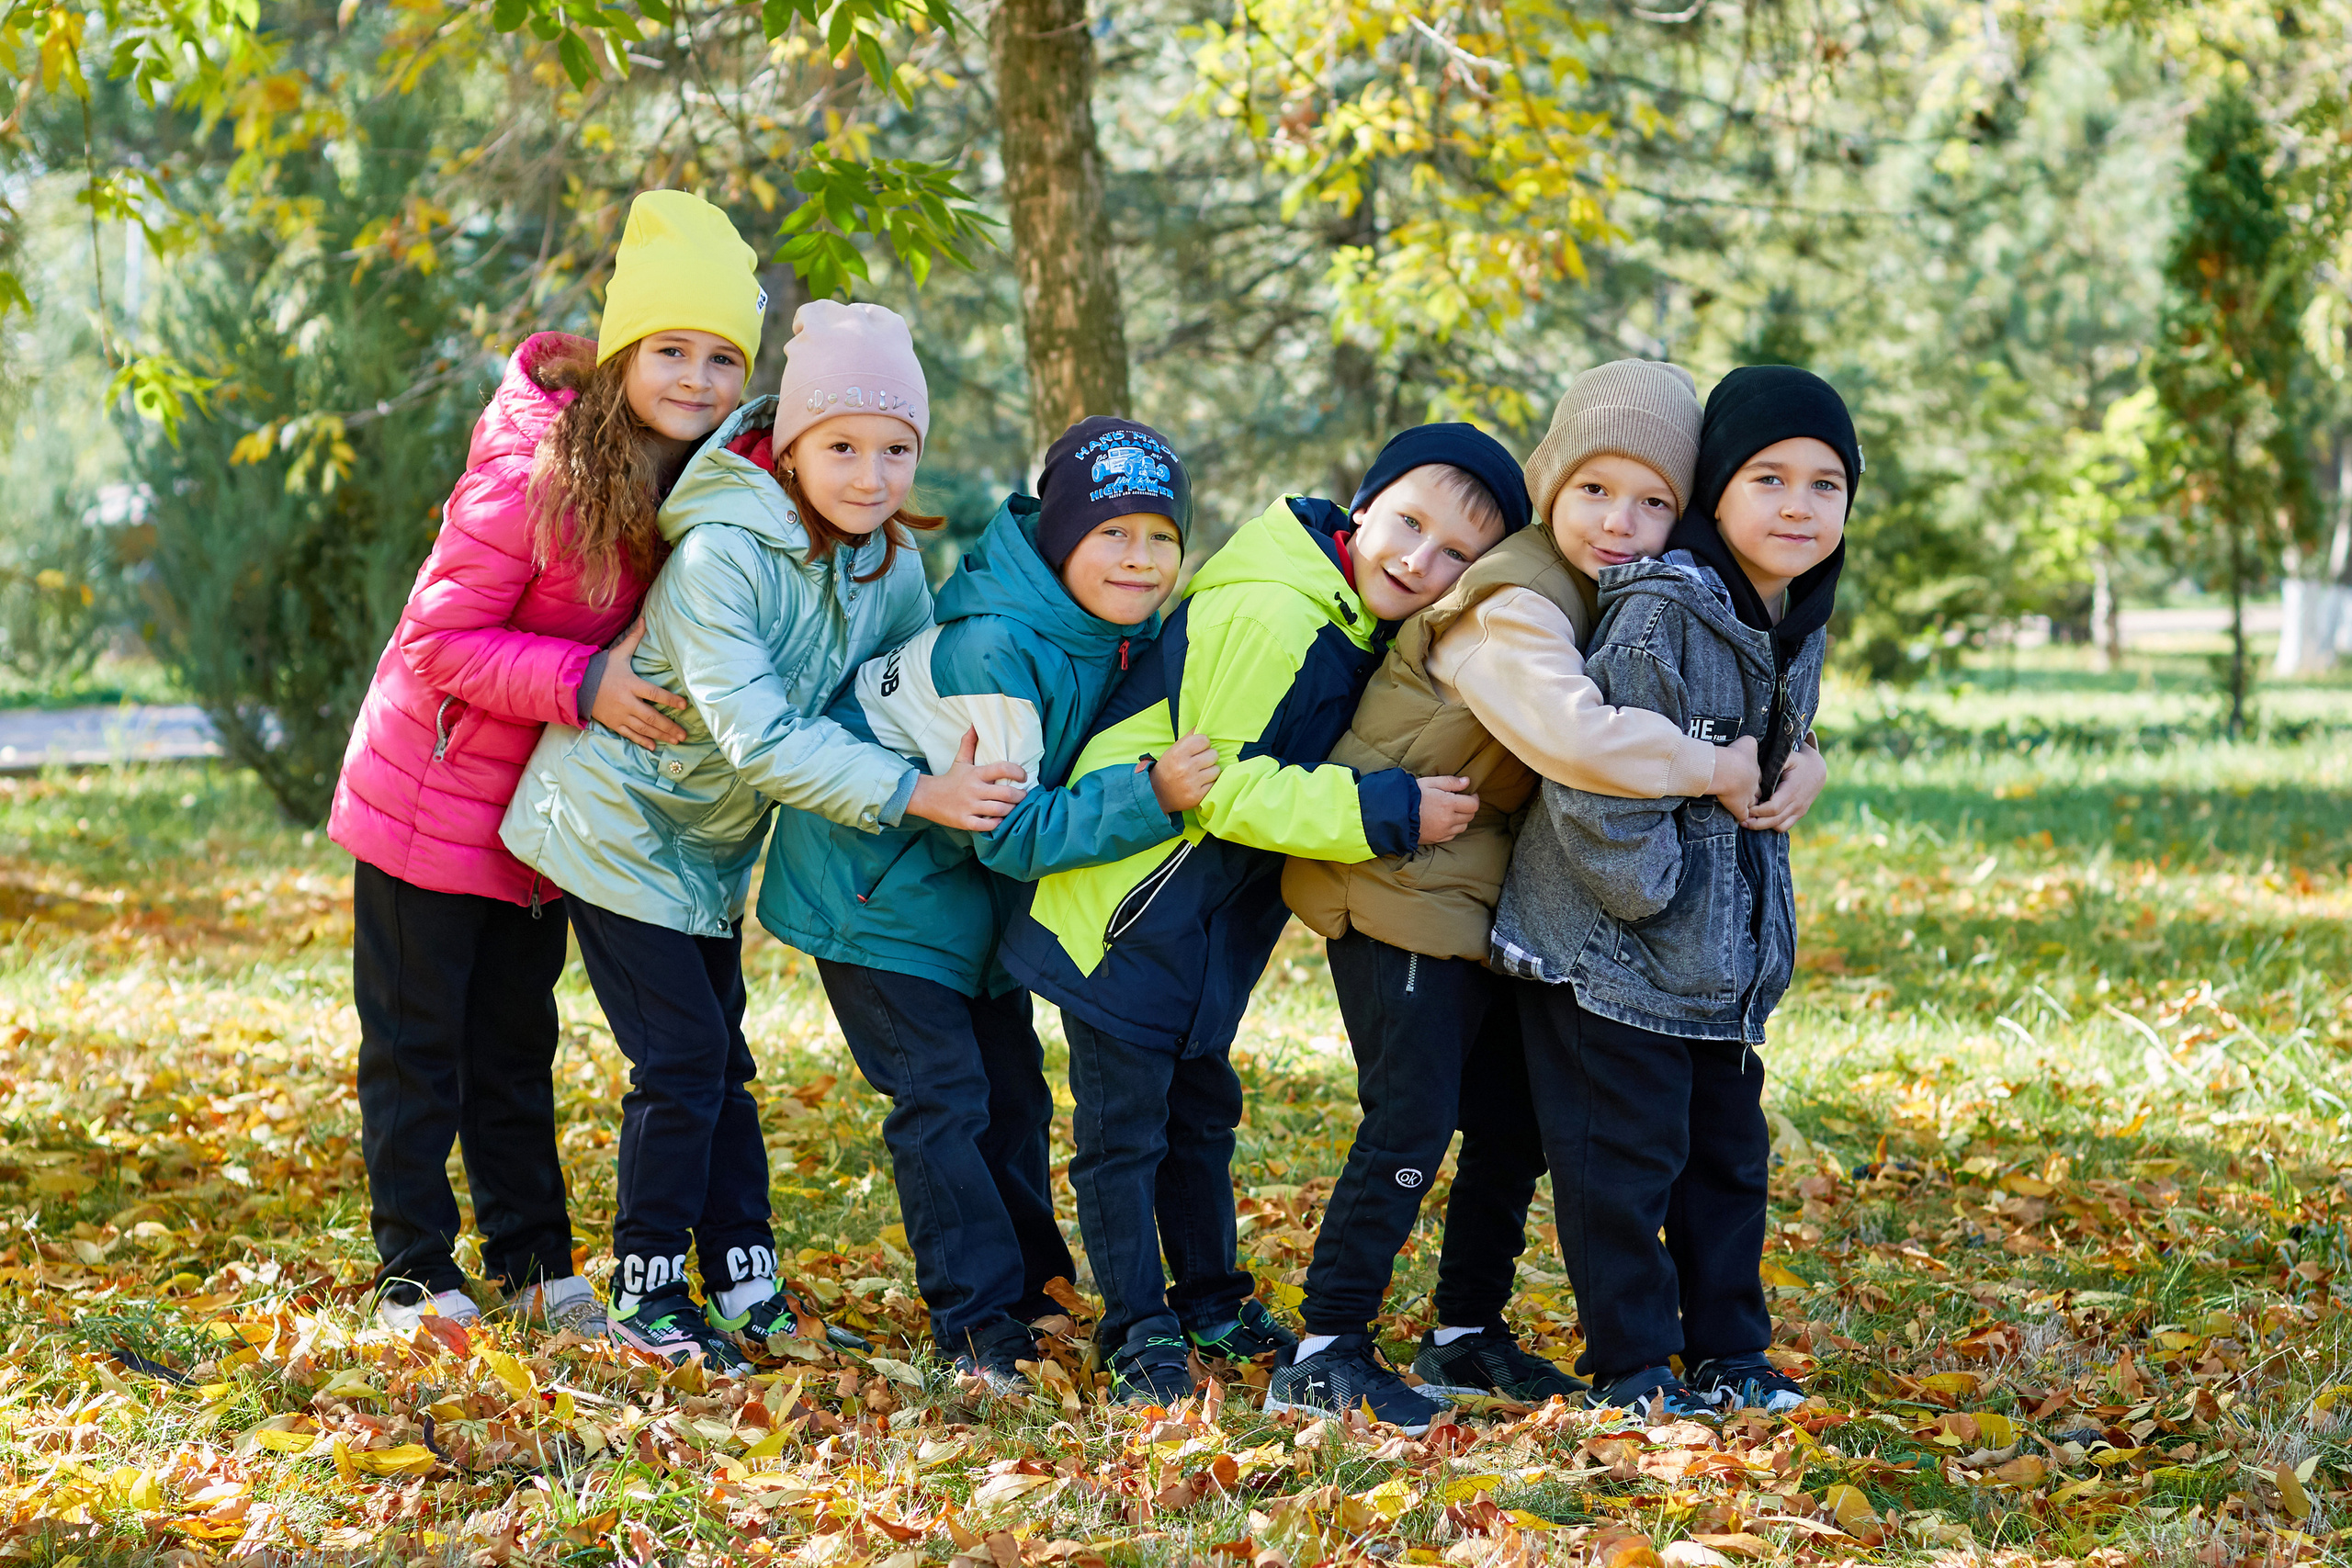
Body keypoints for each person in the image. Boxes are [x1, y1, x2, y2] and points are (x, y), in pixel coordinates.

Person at [1272, 360, 1828, 1429]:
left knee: (1511, 1125)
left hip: (1470, 896)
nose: (1622, 522)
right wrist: (1709, 766)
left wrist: (1805, 757)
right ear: (1549, 489)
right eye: (1594, 491)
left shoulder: (1598, 587)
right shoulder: (1512, 598)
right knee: (1412, 1120)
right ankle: (1326, 1341)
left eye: (1654, 501)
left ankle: (1465, 1332)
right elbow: (1573, 737)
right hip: (1392, 887)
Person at [502, 299, 1026, 1371]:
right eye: (841, 446)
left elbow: (900, 691)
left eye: (896, 450)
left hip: (706, 844)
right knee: (685, 1059)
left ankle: (741, 1271)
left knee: (721, 1058)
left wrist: (976, 737)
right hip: (612, 817)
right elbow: (763, 740)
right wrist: (914, 796)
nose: (870, 476)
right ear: (789, 448)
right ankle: (650, 1289)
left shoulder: (885, 564)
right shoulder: (721, 557)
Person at [997, 424, 1517, 1404]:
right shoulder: (1276, 612)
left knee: (1199, 1117)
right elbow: (1220, 787)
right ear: (1363, 504)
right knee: (1125, 1135)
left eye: (1455, 554)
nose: (1419, 559)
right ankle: (1138, 1329)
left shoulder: (1350, 617)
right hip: (1122, 910)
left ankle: (1212, 1303)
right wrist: (1386, 811)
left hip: (1198, 925)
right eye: (1408, 523)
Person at [330, 188, 754, 1337]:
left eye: (724, 358)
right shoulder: (538, 469)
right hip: (429, 798)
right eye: (671, 349)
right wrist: (584, 685)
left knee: (518, 1045)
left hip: (541, 821)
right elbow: (437, 637)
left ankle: (531, 1259)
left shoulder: (691, 492)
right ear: (621, 356)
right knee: (421, 1052)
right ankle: (416, 1268)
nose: (698, 379)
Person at [763, 418, 1222, 1392]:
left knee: (1013, 1093)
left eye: (1161, 539)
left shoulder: (1112, 632)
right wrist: (1151, 794)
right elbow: (1011, 831)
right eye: (1113, 535)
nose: (1139, 559)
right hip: (876, 895)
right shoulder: (994, 650)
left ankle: (1031, 1290)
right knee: (944, 1099)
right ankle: (975, 1330)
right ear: (1060, 540)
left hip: (964, 903)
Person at [1491, 364, 1855, 1419]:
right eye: (1768, 479)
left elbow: (1767, 740)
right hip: (1618, 952)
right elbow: (1593, 786)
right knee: (1622, 1171)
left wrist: (1805, 758)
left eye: (1825, 485)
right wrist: (1654, 905)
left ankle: (1730, 1352)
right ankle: (1634, 1366)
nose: (1797, 505)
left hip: (1716, 962)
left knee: (1727, 1165)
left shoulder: (1790, 611)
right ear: (1714, 495)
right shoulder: (1661, 615)